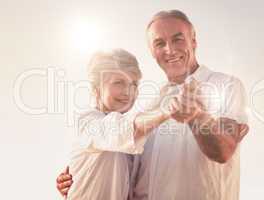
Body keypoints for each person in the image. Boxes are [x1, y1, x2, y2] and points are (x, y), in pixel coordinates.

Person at [57, 10, 249, 200]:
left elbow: (224, 151)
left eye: (178, 39)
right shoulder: (149, 105)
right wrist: (78, 178)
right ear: (152, 52)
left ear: (194, 41)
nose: (170, 49)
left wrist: (197, 116)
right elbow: (123, 157)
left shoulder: (226, 85)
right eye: (159, 43)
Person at [62, 48, 180, 200]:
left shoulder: (137, 136)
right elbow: (117, 130)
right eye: (119, 82)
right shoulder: (87, 122)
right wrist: (166, 110)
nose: (128, 92)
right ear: (96, 89)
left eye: (134, 84)